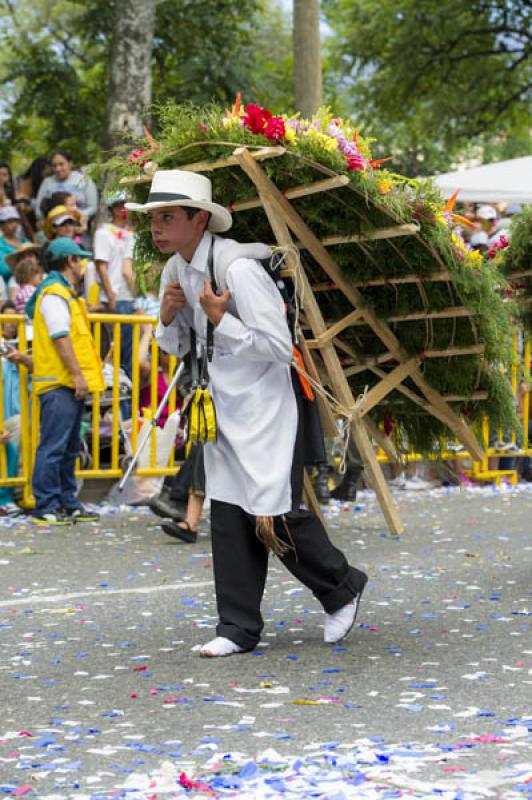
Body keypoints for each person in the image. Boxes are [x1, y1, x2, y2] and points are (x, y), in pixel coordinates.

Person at [127, 169, 368, 657]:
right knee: (229, 512)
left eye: (168, 217)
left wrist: (221, 320)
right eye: (154, 217)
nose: (157, 227)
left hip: (266, 406)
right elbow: (177, 346)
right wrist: (169, 316)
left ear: (200, 220)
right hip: (221, 403)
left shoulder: (237, 268)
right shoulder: (176, 270)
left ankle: (342, 586)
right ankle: (236, 627)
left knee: (273, 511)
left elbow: (279, 348)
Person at [26, 237, 104, 525]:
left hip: (67, 383)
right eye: (79, 258)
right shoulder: (55, 294)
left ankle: (67, 502)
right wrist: (77, 375)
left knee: (69, 447)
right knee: (55, 446)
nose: (83, 264)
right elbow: (61, 338)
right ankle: (46, 505)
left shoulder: (64, 294)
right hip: (60, 383)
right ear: (70, 261)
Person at [93, 193, 135, 376]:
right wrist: (110, 295)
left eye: (126, 205)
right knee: (118, 349)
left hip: (129, 297)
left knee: (129, 350)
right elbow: (101, 266)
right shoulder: (103, 233)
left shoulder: (131, 233)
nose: (124, 209)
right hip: (115, 298)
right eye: (120, 206)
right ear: (112, 210)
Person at [35, 150, 98, 236]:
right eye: (54, 165)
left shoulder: (84, 180)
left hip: (79, 227)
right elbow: (38, 210)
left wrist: (76, 216)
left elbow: (92, 207)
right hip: (55, 229)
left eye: (61, 164)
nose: (58, 168)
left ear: (70, 163)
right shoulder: (47, 182)